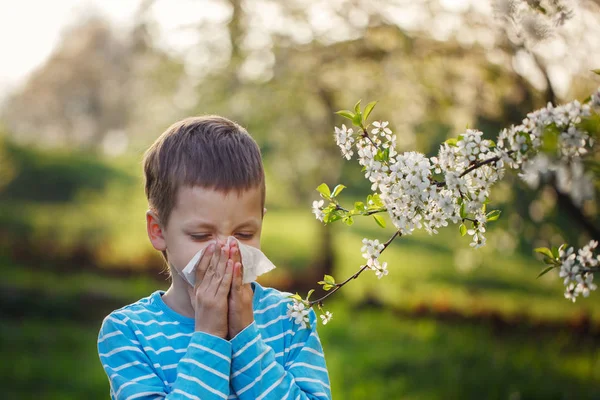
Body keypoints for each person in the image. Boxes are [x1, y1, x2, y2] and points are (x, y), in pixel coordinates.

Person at [97, 116, 331, 399]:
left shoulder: (291, 318)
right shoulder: (128, 333)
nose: (227, 251)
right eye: (201, 235)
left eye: (244, 234)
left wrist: (245, 334)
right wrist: (209, 336)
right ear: (158, 231)